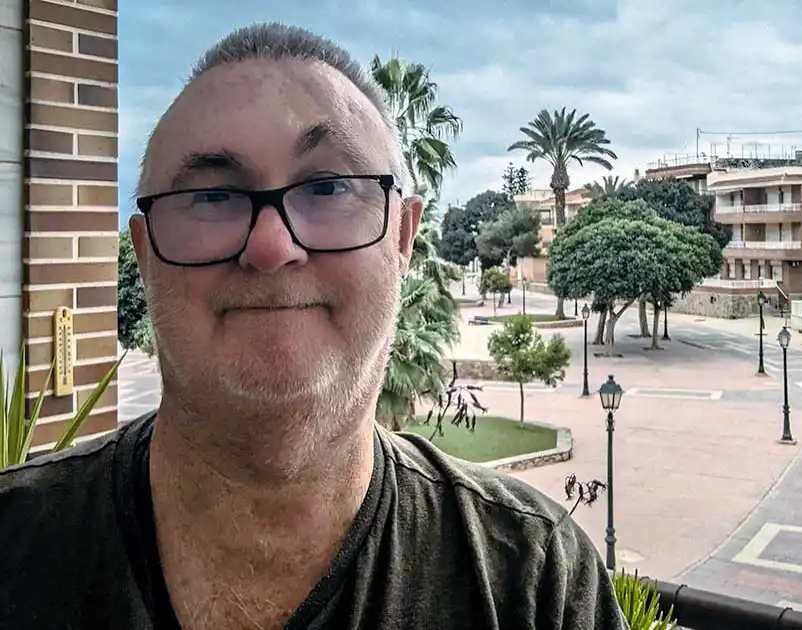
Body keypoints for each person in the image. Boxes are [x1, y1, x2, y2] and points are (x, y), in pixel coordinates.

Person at [0, 23, 628, 630]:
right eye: (214, 196)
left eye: (327, 188)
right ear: (144, 253)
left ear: (402, 237)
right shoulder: (16, 549)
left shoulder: (536, 582)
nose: (271, 248)